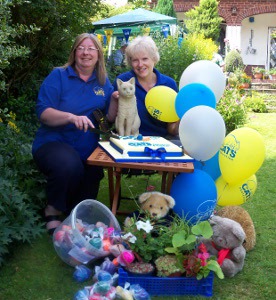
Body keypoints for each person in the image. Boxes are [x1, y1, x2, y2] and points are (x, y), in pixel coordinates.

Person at [32, 33, 115, 235]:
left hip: (86, 147)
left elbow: (107, 120)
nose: (85, 53)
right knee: (68, 164)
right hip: (53, 142)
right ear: (74, 52)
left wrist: (116, 100)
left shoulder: (103, 83)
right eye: (81, 48)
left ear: (98, 55)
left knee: (91, 178)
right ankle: (52, 210)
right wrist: (70, 117)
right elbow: (43, 113)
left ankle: (72, 212)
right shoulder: (59, 76)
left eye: (90, 49)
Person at [108, 35, 179, 138]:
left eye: (145, 59)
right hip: (128, 141)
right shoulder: (123, 82)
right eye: (135, 60)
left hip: (161, 145)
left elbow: (172, 128)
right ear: (130, 62)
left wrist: (183, 118)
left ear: (154, 58)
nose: (140, 64)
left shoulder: (169, 84)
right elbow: (111, 119)